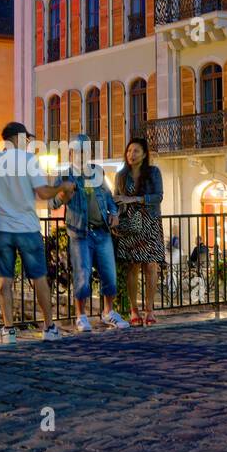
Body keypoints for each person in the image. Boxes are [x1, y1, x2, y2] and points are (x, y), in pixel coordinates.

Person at [0, 121, 69, 343]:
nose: (28, 143)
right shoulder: (29, 161)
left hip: (1, 228)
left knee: (4, 281)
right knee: (39, 278)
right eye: (26, 139)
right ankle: (49, 327)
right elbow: (44, 193)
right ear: (18, 138)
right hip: (27, 228)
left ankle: (8, 330)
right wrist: (62, 187)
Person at [50, 134, 129, 332]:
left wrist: (114, 213)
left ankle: (108, 312)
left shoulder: (98, 172)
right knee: (82, 275)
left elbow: (109, 198)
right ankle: (81, 316)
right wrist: (62, 194)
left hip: (102, 231)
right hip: (79, 233)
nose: (82, 154)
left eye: (86, 151)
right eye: (78, 151)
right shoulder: (65, 176)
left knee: (109, 274)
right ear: (70, 153)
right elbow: (52, 203)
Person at [113, 138, 165, 326]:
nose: (131, 155)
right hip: (130, 224)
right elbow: (116, 199)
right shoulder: (121, 176)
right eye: (129, 151)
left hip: (150, 222)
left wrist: (134, 199)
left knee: (151, 266)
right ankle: (134, 310)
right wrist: (116, 215)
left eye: (135, 151)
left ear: (144, 154)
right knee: (133, 266)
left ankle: (149, 309)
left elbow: (158, 196)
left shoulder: (153, 173)